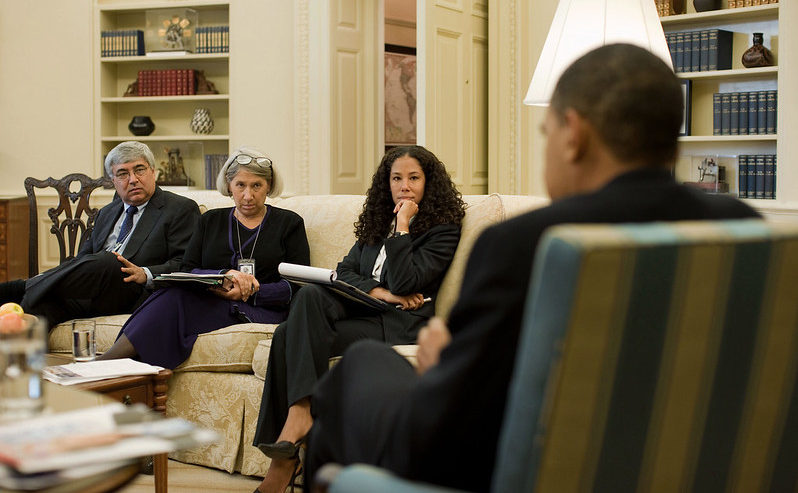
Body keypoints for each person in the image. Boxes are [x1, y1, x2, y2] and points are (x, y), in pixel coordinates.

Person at [304, 43, 761, 492]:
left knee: (360, 368)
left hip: (496, 466)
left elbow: (449, 432)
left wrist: (444, 363)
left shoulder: (529, 244)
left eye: (545, 133)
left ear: (573, 133)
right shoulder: (745, 231)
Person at [252, 145, 466, 493]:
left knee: (289, 333)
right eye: (397, 178)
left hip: (400, 324)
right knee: (297, 318)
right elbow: (345, 271)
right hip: (370, 309)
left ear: (429, 183)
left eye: (414, 178)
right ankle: (296, 427)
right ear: (387, 183)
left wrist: (402, 226)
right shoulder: (374, 223)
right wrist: (378, 292)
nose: (405, 186)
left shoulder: (442, 229)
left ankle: (287, 449)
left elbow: (405, 282)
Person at [98, 147, 310, 369]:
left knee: (174, 304)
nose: (248, 195)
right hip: (212, 300)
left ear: (268, 187)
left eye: (256, 185)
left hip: (261, 309)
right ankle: (120, 369)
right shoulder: (210, 220)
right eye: (240, 185)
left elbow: (297, 285)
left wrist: (253, 291)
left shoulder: (289, 223)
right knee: (170, 293)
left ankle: (104, 365)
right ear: (229, 186)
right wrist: (222, 275)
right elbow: (188, 268)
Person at [0, 141, 200, 329]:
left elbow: (185, 264)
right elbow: (83, 260)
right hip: (92, 292)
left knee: (110, 260)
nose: (133, 179)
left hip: (133, 291)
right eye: (122, 173)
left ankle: (23, 286)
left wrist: (144, 273)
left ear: (153, 172)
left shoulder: (179, 209)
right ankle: (31, 357)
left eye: (139, 169)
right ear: (113, 181)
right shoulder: (107, 212)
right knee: (39, 309)